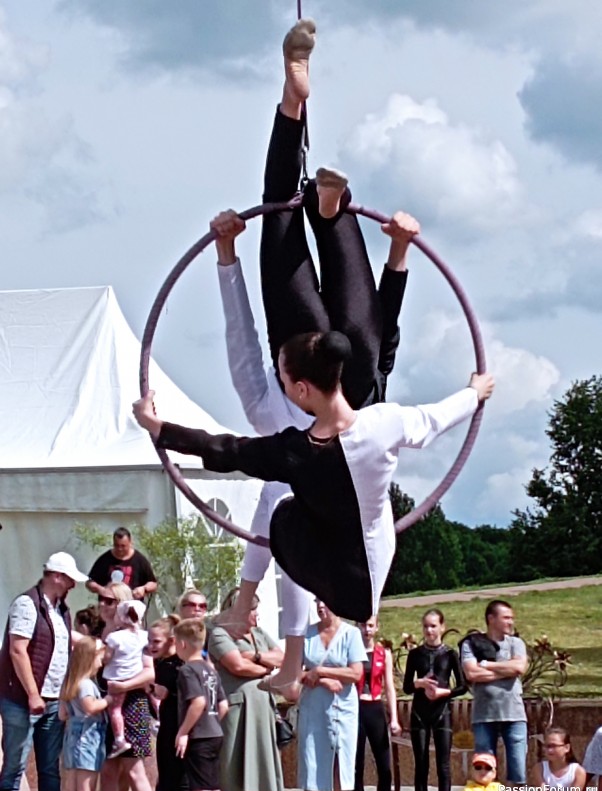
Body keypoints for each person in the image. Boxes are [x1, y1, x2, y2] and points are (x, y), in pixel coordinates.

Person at [211, 14, 419, 679]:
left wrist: (398, 259)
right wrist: (226, 259)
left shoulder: (359, 499)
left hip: (350, 363)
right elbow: (244, 350)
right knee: (280, 211)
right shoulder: (288, 455)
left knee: (355, 314)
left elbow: (385, 352)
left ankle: (323, 184)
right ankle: (301, 132)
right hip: (309, 353)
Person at [133, 333, 494, 695]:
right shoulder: (385, 421)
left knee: (279, 504)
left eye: (284, 382)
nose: (284, 389)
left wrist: (158, 427)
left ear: (302, 390)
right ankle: (279, 647)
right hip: (372, 569)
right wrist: (474, 392)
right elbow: (436, 419)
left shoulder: (295, 452)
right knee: (326, 505)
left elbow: (226, 449)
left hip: (332, 575)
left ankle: (254, 615)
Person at [0, 551, 89, 791]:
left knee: (50, 769)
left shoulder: (60, 609)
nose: (73, 585)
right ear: (58, 577)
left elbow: (61, 641)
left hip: (52, 699)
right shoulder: (27, 604)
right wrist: (32, 694)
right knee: (14, 767)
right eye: (70, 579)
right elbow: (18, 650)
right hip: (23, 699)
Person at [207, 588, 284, 791]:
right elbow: (237, 666)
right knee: (230, 772)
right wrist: (266, 669)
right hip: (237, 710)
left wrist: (255, 656)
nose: (255, 613)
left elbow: (282, 658)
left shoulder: (259, 634)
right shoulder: (219, 634)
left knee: (257, 774)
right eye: (251, 609)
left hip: (262, 712)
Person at [298, 598, 367, 791]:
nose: (320, 606)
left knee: (341, 768)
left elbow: (356, 673)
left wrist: (320, 671)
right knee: (312, 766)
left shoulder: (351, 634)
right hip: (313, 709)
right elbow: (294, 673)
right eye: (317, 601)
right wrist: (323, 681)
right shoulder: (306, 634)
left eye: (325, 601)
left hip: (342, 711)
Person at [460, 600, 528, 787]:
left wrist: (488, 665)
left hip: (514, 714)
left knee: (518, 773)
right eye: (506, 618)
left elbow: (519, 667)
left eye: (511, 618)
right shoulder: (471, 644)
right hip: (484, 716)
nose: (510, 622)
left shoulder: (516, 643)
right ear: (491, 619)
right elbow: (471, 673)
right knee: (484, 773)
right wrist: (506, 670)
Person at [97, 583, 154, 791]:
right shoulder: (99, 630)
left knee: (134, 769)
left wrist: (124, 686)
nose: (102, 604)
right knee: (108, 771)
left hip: (132, 703)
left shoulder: (141, 636)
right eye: (101, 599)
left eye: (109, 601)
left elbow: (149, 673)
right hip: (101, 705)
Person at [403, 609, 466, 791]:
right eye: (426, 626)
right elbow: (406, 687)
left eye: (433, 626)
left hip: (442, 711)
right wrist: (419, 683)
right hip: (420, 713)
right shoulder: (415, 654)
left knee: (443, 765)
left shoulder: (450, 654)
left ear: (442, 627)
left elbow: (463, 686)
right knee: (421, 763)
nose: (429, 631)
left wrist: (443, 692)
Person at [175, 619, 228, 791]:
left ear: (182, 644)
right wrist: (212, 721)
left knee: (199, 789)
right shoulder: (210, 669)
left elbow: (198, 702)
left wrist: (183, 732)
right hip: (215, 734)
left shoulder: (187, 670)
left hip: (199, 736)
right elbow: (223, 705)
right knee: (212, 786)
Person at [353, 616, 401, 791]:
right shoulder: (351, 651)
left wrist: (394, 718)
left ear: (377, 627)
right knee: (356, 764)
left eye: (371, 625)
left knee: (383, 763)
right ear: (358, 626)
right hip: (356, 706)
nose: (367, 629)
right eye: (363, 625)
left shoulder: (383, 653)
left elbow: (389, 687)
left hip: (375, 706)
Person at [59, 636, 110, 791]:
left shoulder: (69, 683)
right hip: (88, 738)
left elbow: (62, 714)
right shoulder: (86, 684)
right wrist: (107, 700)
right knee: (86, 789)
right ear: (89, 658)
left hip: (72, 738)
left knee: (71, 788)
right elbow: (90, 707)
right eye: (99, 659)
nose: (101, 664)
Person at [148, 614, 192, 791]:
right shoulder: (159, 663)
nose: (151, 646)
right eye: (149, 641)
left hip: (179, 726)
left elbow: (165, 692)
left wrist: (151, 687)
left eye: (157, 641)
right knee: (166, 776)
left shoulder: (178, 665)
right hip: (166, 726)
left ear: (172, 640)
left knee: (180, 780)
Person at [102, 599, 149, 757]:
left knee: (115, 709)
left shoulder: (114, 638)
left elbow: (106, 658)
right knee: (151, 691)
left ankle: (119, 739)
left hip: (117, 678)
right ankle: (157, 719)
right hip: (136, 675)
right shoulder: (144, 636)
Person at [86, 527, 157, 601]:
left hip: (131, 605)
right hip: (109, 606)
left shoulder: (139, 560)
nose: (120, 549)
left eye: (123, 546)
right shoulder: (104, 559)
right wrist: (101, 590)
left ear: (130, 542)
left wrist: (143, 589)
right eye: (117, 545)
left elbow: (153, 584)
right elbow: (90, 582)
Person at [532, 727, 586, 791]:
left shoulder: (578, 771)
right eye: (547, 746)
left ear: (567, 748)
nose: (549, 750)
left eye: (554, 746)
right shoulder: (539, 769)